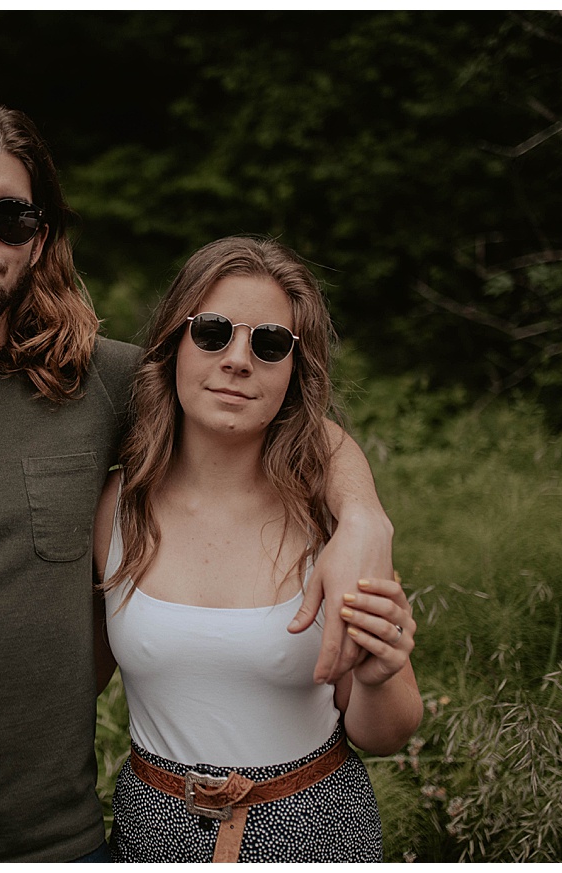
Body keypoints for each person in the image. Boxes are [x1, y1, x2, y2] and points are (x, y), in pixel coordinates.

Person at [0, 99, 394, 862]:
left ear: (39, 240)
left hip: (53, 842)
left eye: (12, 218)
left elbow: (273, 409)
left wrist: (363, 520)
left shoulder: (96, 384)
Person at [95, 236, 422, 863]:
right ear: (173, 343)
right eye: (212, 332)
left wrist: (380, 676)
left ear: (295, 370)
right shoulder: (116, 507)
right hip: (152, 833)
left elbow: (386, 733)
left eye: (270, 343)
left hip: (316, 830)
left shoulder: (332, 521)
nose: (238, 360)